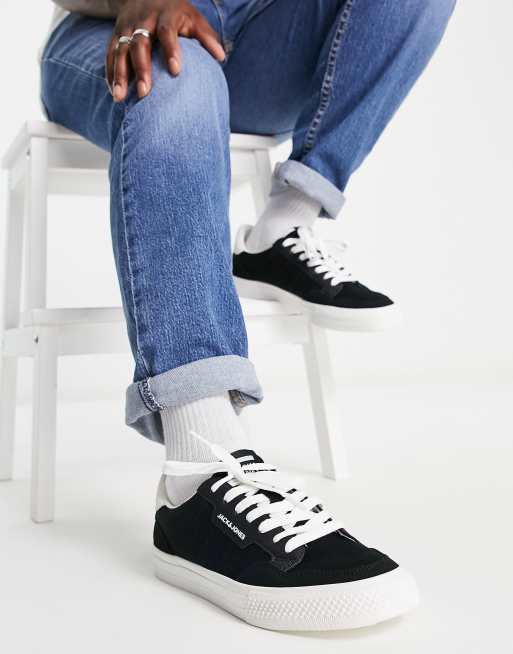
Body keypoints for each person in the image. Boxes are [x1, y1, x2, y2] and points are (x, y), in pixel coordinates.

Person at [41, 0, 455, 631]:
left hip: (253, 40)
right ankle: (197, 469)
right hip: (110, 31)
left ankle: (286, 223)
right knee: (174, 66)